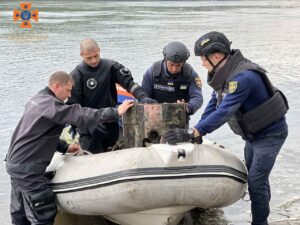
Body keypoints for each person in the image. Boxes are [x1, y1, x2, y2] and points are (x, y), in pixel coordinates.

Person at [164, 31, 289, 225]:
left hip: (271, 135)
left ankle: (260, 222)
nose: (202, 64)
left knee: (255, 182)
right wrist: (197, 130)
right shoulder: (225, 73)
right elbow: (214, 103)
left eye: (203, 59)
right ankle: (262, 214)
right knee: (258, 178)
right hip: (253, 136)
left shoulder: (243, 77)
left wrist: (194, 132)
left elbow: (224, 111)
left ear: (215, 56)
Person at [6, 71, 134, 225]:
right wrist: (115, 111)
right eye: (67, 90)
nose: (69, 94)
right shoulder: (51, 105)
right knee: (43, 212)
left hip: (15, 164)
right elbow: (81, 115)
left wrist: (65, 147)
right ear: (56, 86)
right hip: (28, 169)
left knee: (19, 214)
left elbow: (39, 134)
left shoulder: (37, 100)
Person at [67, 38, 157, 153]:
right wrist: (89, 126)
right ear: (81, 55)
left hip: (110, 122)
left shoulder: (111, 67)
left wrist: (142, 96)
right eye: (89, 58)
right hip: (90, 130)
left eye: (96, 55)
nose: (94, 60)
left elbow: (129, 84)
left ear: (99, 50)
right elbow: (72, 109)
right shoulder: (76, 75)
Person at [141, 41, 203, 115]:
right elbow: (143, 95)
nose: (174, 69)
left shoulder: (190, 75)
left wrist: (188, 107)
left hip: (179, 117)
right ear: (165, 60)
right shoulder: (152, 73)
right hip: (154, 116)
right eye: (171, 65)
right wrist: (150, 105)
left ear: (183, 63)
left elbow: (197, 98)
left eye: (178, 66)